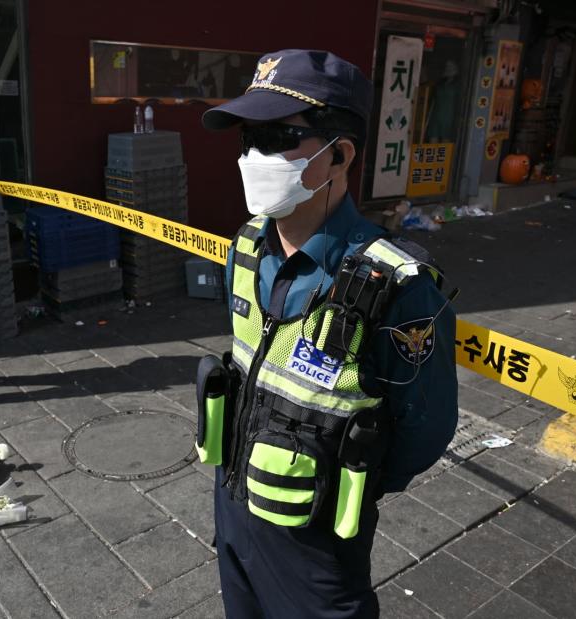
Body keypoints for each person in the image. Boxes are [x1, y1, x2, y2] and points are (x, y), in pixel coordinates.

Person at [199, 49, 458, 618]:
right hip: (235, 504)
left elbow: (428, 427)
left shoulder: (397, 284)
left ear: (338, 154)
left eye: (276, 136)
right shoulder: (246, 244)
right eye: (248, 136)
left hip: (317, 538)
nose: (253, 155)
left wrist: (348, 485)